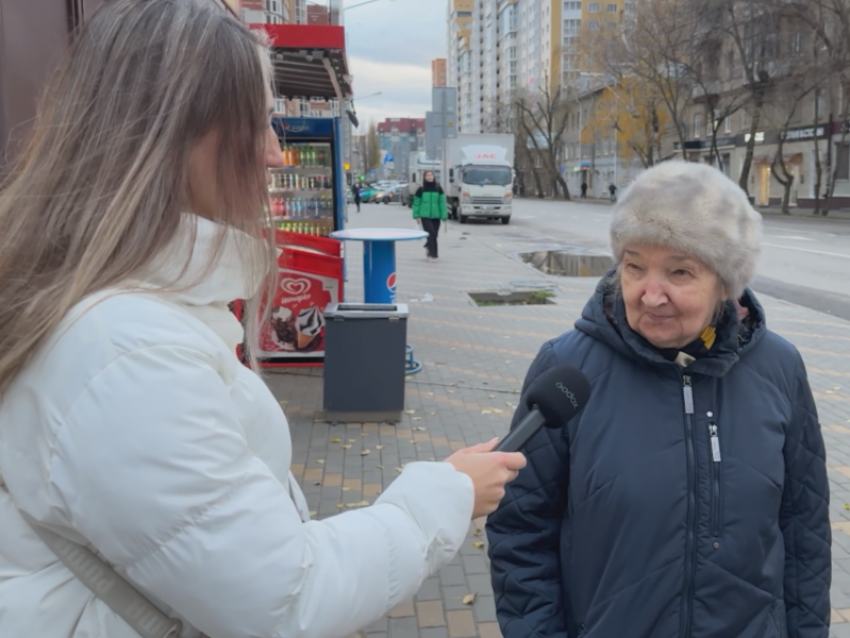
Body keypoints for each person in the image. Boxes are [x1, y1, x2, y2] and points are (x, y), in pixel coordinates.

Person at [0, 2, 526, 638]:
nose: (277, 154)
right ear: (175, 135)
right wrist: (444, 497)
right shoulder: (127, 354)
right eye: (257, 124)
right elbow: (284, 602)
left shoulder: (120, 312)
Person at [487, 161, 830, 638]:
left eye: (680, 271)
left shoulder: (779, 368)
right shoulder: (566, 370)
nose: (650, 294)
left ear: (725, 284)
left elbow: (804, 528)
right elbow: (521, 531)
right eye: (634, 266)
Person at [412, 170, 447, 262]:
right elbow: (416, 203)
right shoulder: (421, 190)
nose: (429, 177)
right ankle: (433, 255)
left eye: (431, 175)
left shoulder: (439, 189)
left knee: (435, 235)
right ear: (424, 177)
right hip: (425, 216)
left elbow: (442, 203)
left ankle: (428, 246)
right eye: (427, 175)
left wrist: (444, 215)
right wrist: (416, 215)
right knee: (431, 234)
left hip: (436, 216)